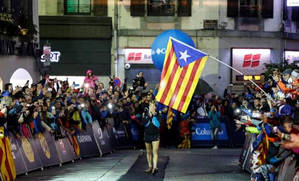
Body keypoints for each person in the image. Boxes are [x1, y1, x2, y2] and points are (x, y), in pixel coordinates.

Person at [143, 101, 160, 175]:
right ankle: (150, 166)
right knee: (148, 152)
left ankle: (155, 167)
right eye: (150, 106)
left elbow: (158, 125)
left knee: (155, 152)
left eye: (153, 106)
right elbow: (145, 124)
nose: (151, 107)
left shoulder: (158, 114)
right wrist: (149, 116)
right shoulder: (145, 114)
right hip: (147, 135)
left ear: (155, 107)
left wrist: (153, 116)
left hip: (155, 135)